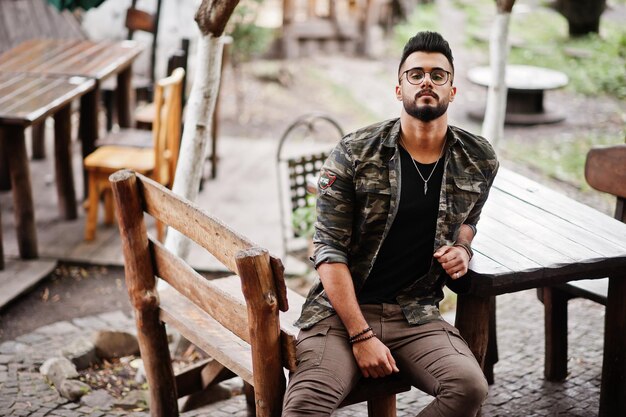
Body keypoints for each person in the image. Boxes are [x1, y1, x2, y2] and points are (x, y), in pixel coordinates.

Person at [282, 31, 499, 416]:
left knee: (468, 388)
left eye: (438, 74)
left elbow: (469, 220)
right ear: (399, 89)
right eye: (415, 74)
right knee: (304, 408)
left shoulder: (479, 158)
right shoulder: (354, 153)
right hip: (341, 312)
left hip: (414, 313)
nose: (427, 82)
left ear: (453, 89)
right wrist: (361, 335)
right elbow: (327, 250)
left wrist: (463, 248)